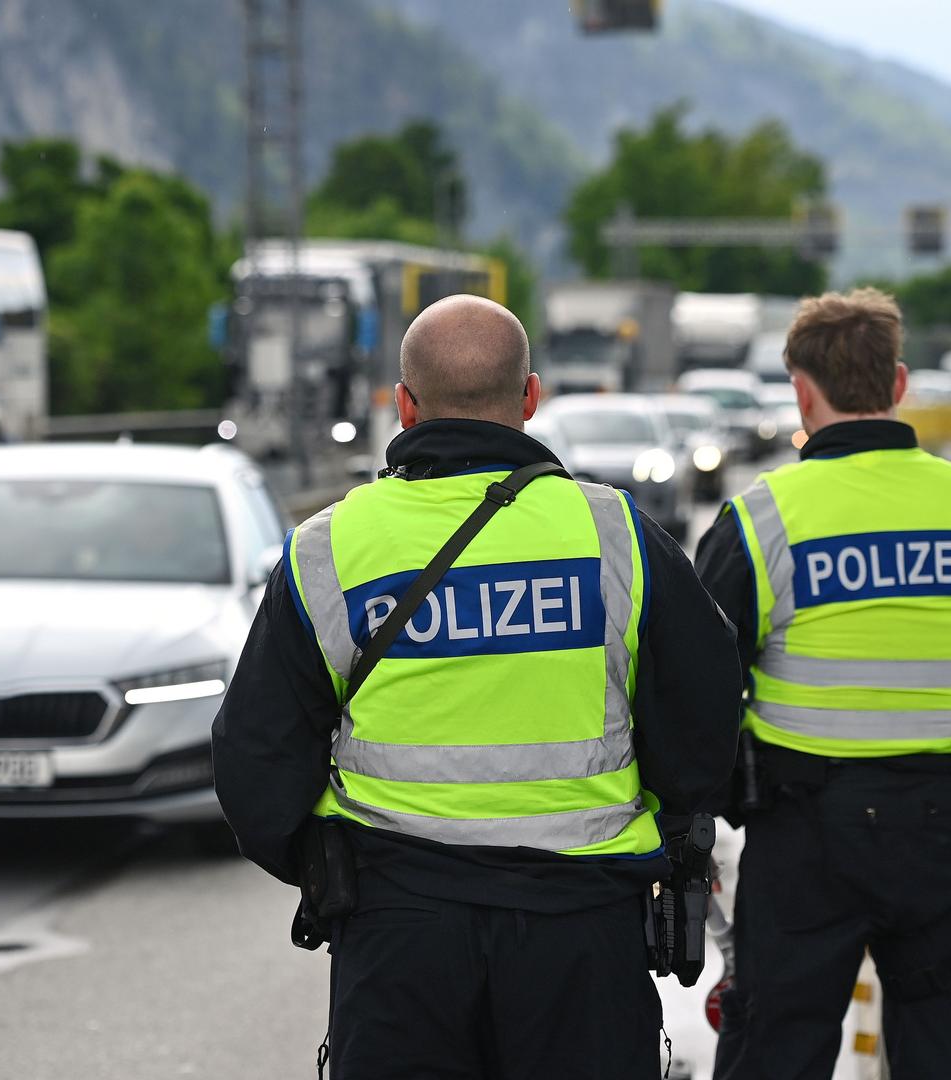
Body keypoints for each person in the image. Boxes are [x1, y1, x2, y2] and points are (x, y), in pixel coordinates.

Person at [212, 294, 742, 1079]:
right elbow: (705, 712)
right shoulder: (617, 535)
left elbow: (254, 758)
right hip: (583, 933)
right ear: (531, 399)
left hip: (400, 936)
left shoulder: (326, 550)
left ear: (404, 405)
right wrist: (663, 830)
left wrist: (334, 867)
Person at [693, 289, 951, 1080]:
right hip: (939, 822)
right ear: (898, 385)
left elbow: (700, 685)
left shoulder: (762, 520)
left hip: (801, 834)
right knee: (945, 1026)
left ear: (800, 389)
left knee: (776, 1039)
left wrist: (721, 800)